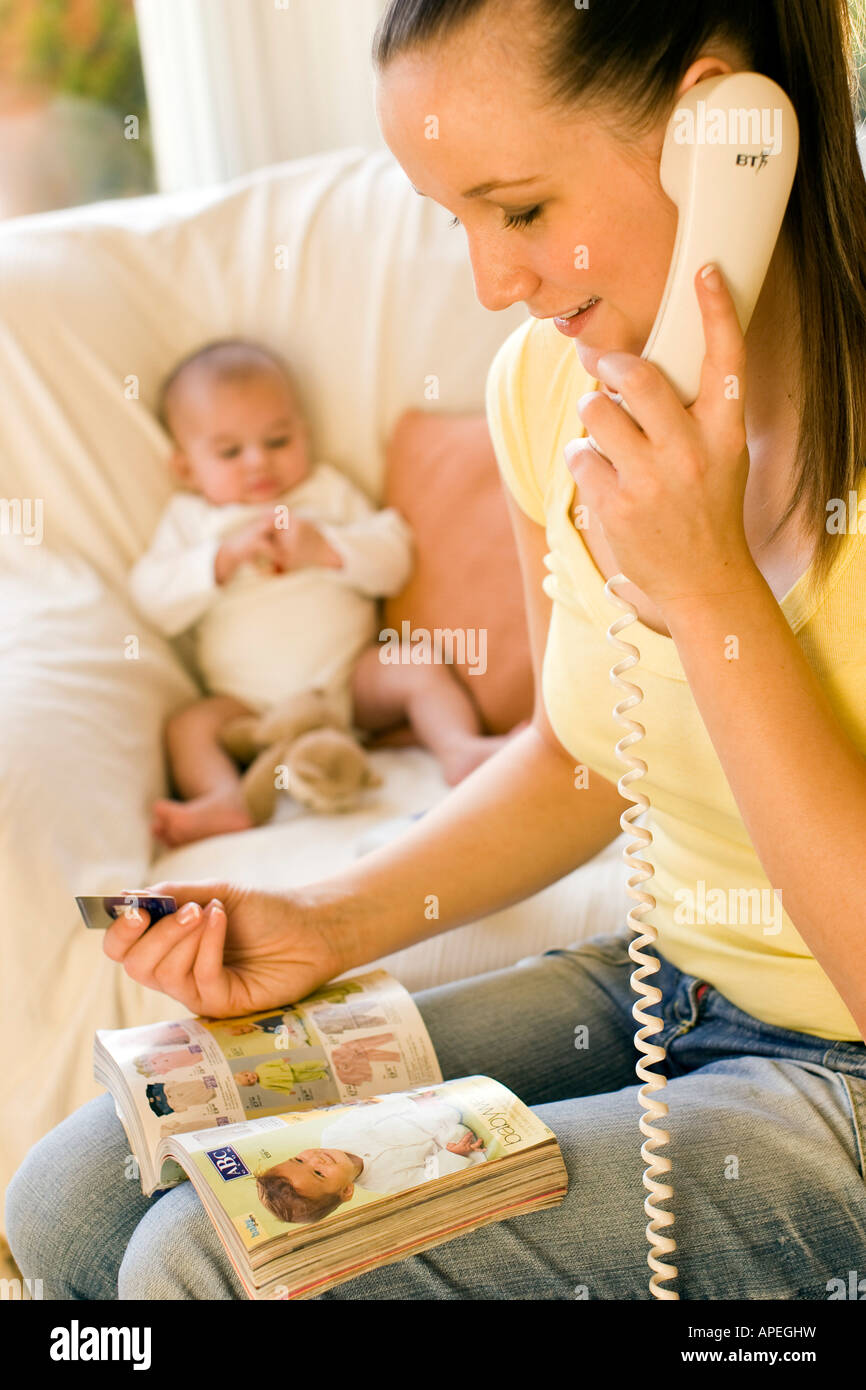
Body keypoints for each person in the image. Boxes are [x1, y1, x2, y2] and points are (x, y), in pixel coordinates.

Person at [6, 0, 866, 1300]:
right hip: (667, 986)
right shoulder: (546, 387)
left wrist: (713, 592)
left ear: (722, 135)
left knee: (209, 1260)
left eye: (515, 208)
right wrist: (330, 919)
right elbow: (581, 757)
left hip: (841, 1078)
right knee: (77, 1196)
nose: (488, 283)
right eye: (450, 220)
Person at [130, 338, 521, 847]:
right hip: (247, 706)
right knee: (188, 727)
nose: (258, 463)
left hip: (347, 682)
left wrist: (327, 550)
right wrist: (221, 560)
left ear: (304, 433)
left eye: (278, 440)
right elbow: (153, 600)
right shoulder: (194, 522)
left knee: (414, 666)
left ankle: (459, 748)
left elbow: (393, 558)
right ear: (185, 467)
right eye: (229, 452)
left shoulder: (325, 492)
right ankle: (225, 799)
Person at [254, 1092, 487, 1225]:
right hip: (449, 1140)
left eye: (299, 1160)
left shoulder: (336, 1134)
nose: (316, 1160)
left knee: (447, 1105)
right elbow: (427, 1175)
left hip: (428, 1111)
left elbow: (372, 1113)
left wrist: (412, 1103)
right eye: (318, 1174)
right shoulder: (383, 1183)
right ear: (346, 1191)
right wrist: (453, 1155)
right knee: (470, 1150)